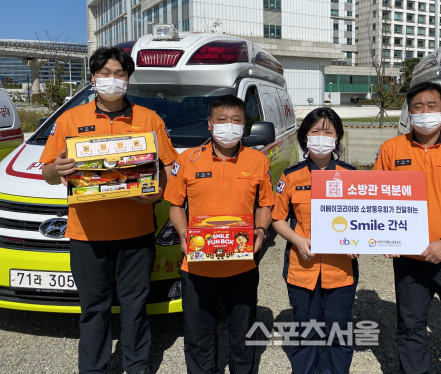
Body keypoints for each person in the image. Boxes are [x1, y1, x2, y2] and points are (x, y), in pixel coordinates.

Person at [41, 47, 178, 374]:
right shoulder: (70, 119)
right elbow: (47, 173)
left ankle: (137, 367)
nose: (112, 81)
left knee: (134, 308)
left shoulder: (149, 119)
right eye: (105, 74)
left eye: (119, 74)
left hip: (136, 235)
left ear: (128, 79)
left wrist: (156, 195)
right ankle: (93, 369)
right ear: (93, 77)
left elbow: (169, 169)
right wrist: (57, 168)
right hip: (86, 235)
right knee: (93, 310)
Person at [373, 81, 441, 374]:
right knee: (410, 328)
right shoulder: (390, 148)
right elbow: (373, 196)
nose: (424, 112)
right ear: (409, 112)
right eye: (417, 107)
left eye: (431, 106)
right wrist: (385, 239)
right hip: (410, 261)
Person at [165, 95, 274, 374]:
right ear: (210, 125)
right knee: (199, 337)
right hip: (198, 264)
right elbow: (175, 205)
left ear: (244, 125)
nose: (229, 126)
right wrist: (183, 232)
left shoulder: (258, 161)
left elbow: (265, 204)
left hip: (242, 263)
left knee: (242, 336)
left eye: (236, 120)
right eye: (222, 120)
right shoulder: (187, 159)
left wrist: (261, 229)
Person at [272, 107, 358, 374]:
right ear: (305, 137)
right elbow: (278, 219)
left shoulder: (352, 175)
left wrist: (359, 242)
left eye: (328, 132)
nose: (321, 137)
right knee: (305, 331)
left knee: (339, 333)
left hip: (341, 270)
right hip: (302, 269)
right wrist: (297, 240)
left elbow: (365, 220)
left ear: (337, 138)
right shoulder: (291, 175)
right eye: (315, 132)